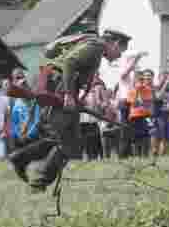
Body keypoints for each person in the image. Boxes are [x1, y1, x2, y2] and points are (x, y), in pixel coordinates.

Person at [9, 28, 131, 192]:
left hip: (61, 86)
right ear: (115, 43)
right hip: (60, 87)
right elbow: (69, 63)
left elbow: (76, 67)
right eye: (121, 51)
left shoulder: (93, 46)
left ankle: (32, 173)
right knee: (61, 139)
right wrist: (68, 94)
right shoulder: (96, 47)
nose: (119, 55)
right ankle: (30, 171)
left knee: (70, 142)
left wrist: (80, 91)